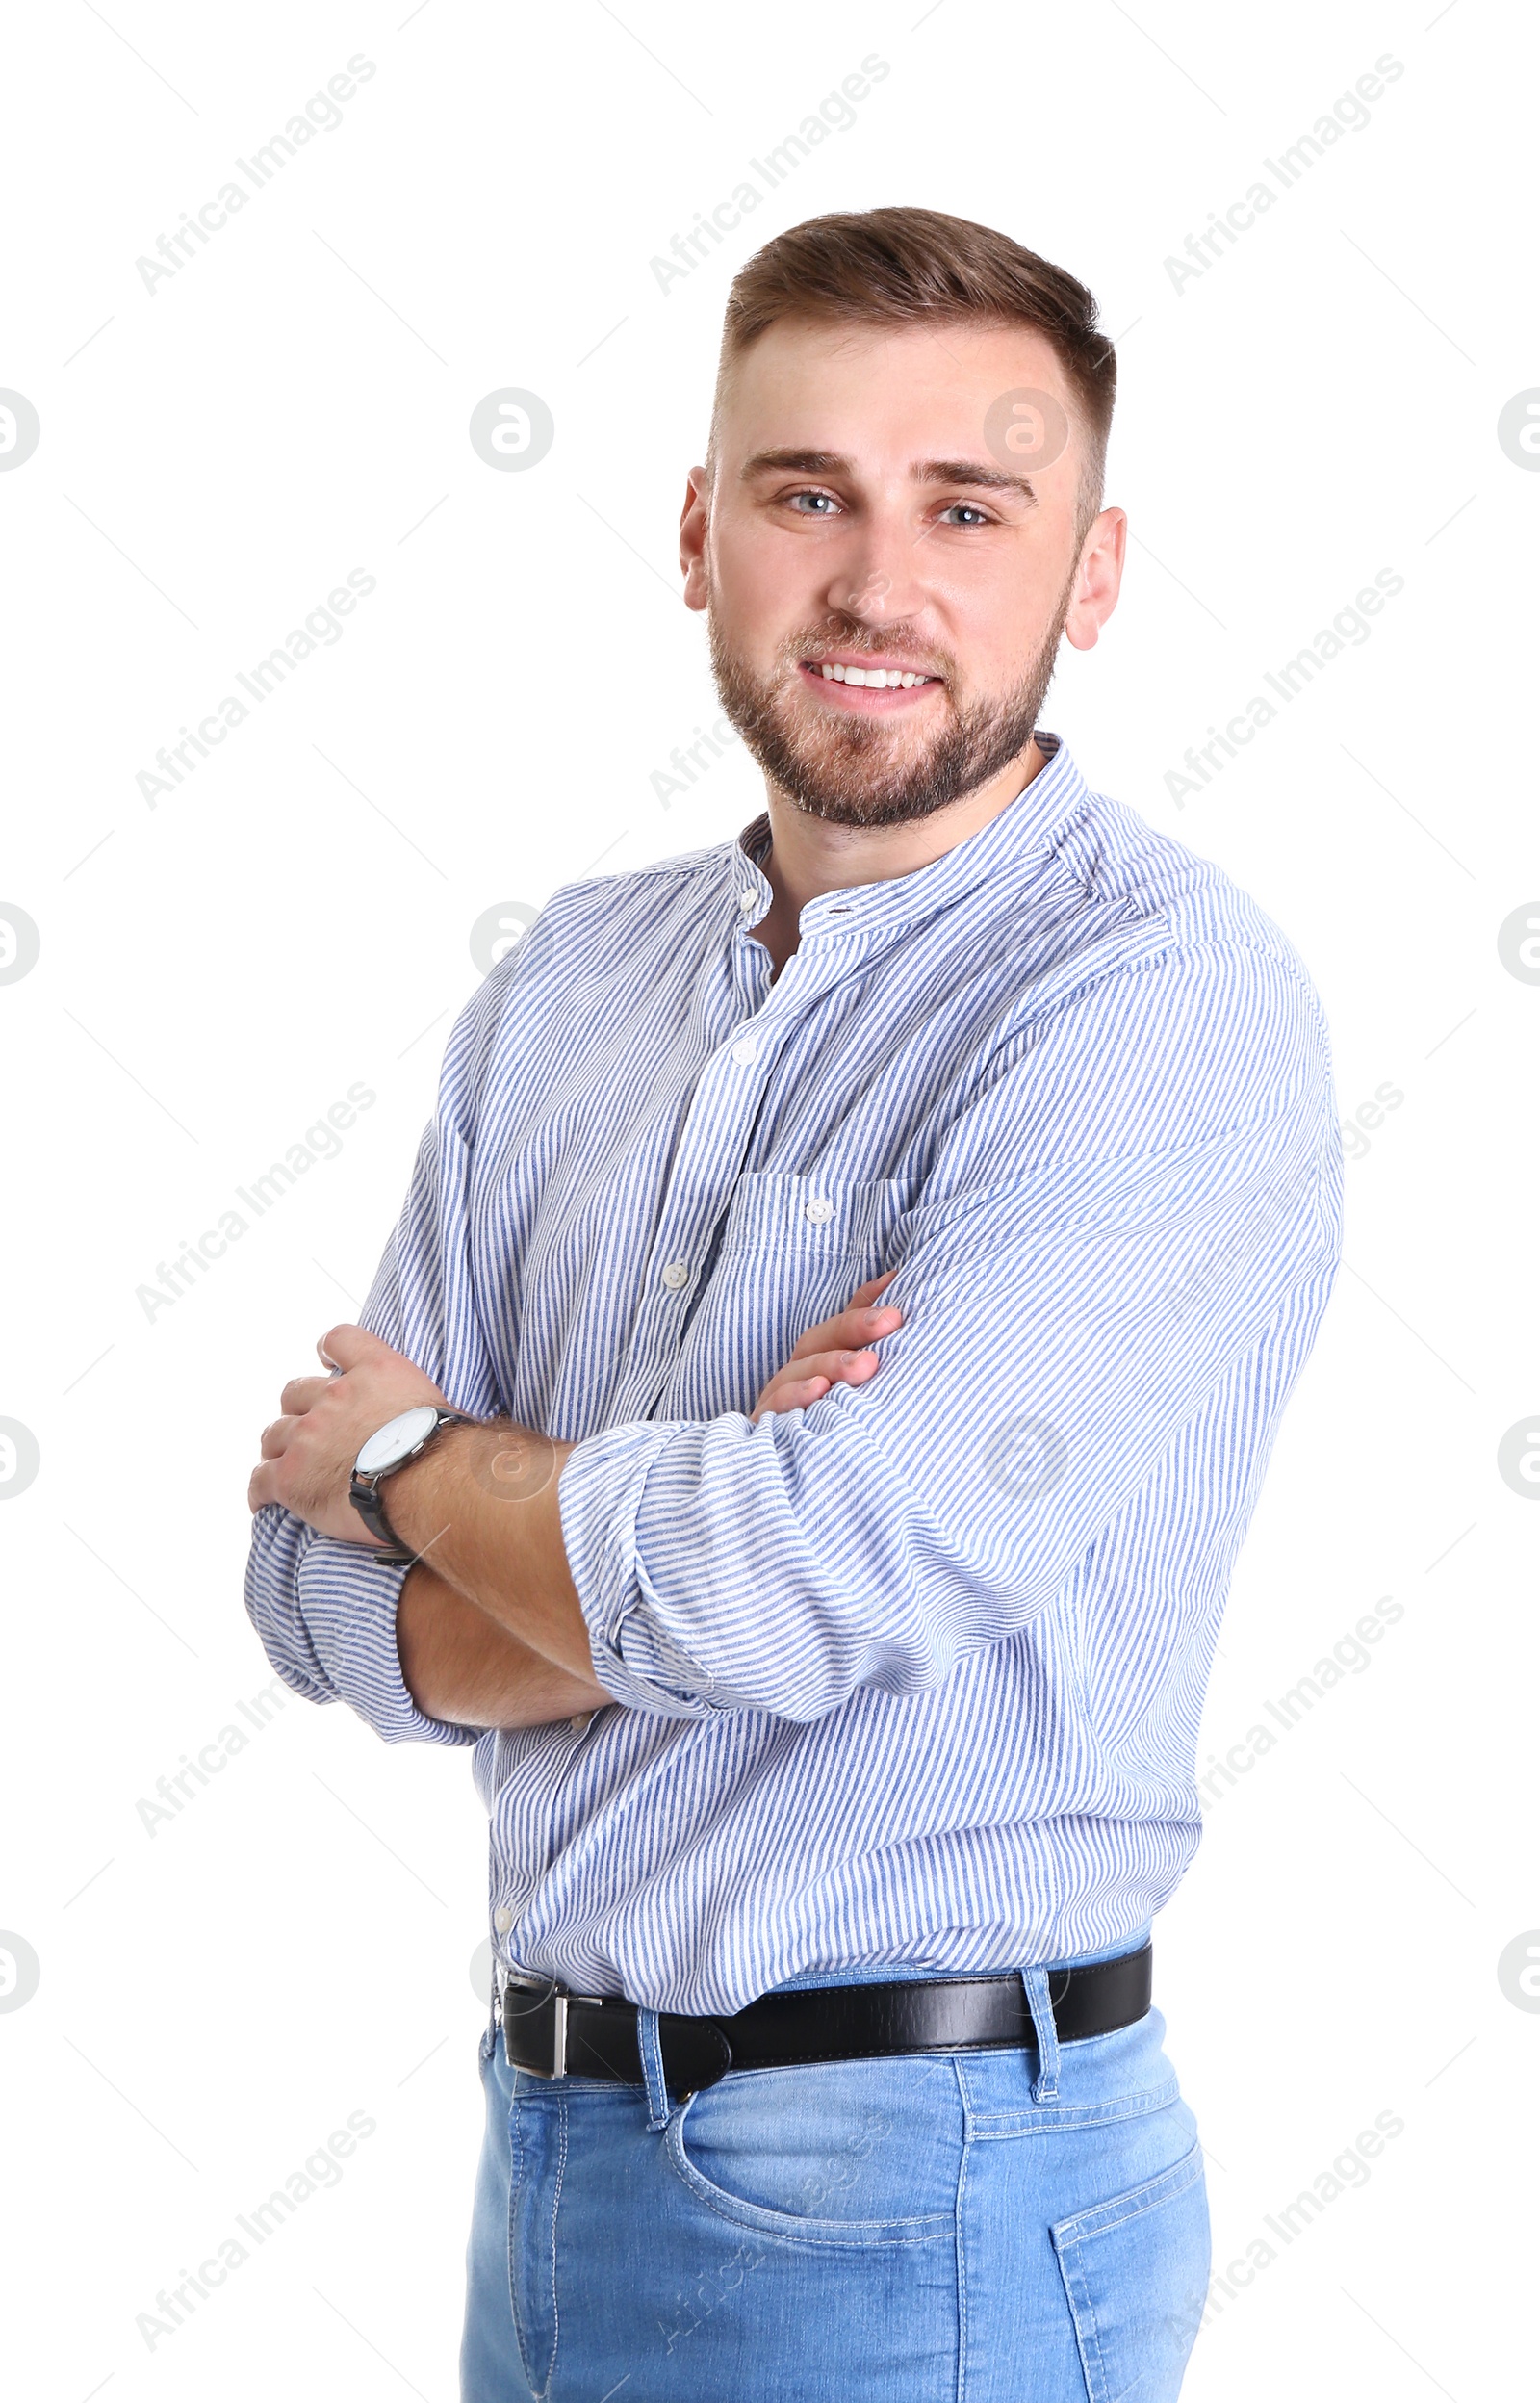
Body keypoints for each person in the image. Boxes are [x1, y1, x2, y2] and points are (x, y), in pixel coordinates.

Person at [245, 205, 1343, 2401]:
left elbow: (805, 1584)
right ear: (694, 533)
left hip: (908, 2173)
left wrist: (401, 1461)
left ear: (1090, 575)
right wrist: (672, 1509)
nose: (875, 584)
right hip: (552, 2146)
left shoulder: (1144, 1004)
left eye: (967, 507)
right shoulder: (566, 980)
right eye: (805, 492)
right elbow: (307, 1611)